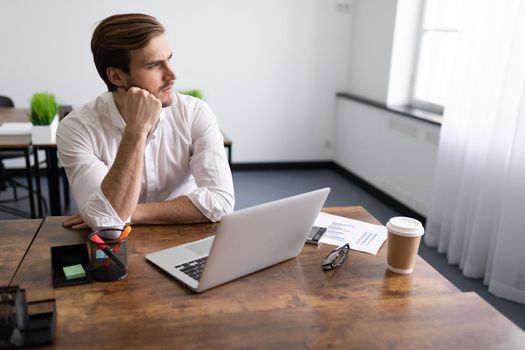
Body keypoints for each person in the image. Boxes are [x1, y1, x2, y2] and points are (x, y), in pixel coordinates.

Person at [57, 13, 234, 232]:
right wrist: (136, 130)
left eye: (169, 59)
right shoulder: (76, 129)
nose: (172, 75)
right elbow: (107, 224)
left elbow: (221, 202)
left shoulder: (195, 112)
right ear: (116, 77)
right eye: (154, 66)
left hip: (184, 238)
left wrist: (129, 213)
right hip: (113, 253)